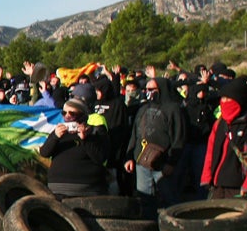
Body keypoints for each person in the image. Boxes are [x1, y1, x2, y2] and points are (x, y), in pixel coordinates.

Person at [123, 72, 186, 218]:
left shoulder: (173, 109)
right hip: (141, 161)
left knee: (170, 200)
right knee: (145, 199)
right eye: (147, 89)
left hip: (163, 163)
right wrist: (129, 156)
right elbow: (135, 134)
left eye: (152, 90)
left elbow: (179, 137)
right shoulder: (143, 108)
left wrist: (172, 162)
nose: (148, 93)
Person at [202, 77, 247, 199]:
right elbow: (210, 152)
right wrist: (206, 177)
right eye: (222, 98)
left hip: (240, 188)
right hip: (217, 187)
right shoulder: (220, 123)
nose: (224, 102)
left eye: (228, 99)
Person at [39, 99, 111, 196]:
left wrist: (86, 139)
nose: (67, 116)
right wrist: (55, 137)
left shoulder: (96, 130)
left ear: (82, 114)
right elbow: (44, 152)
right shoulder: (59, 131)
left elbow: (100, 157)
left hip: (88, 187)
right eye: (64, 113)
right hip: (58, 187)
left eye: (72, 113)